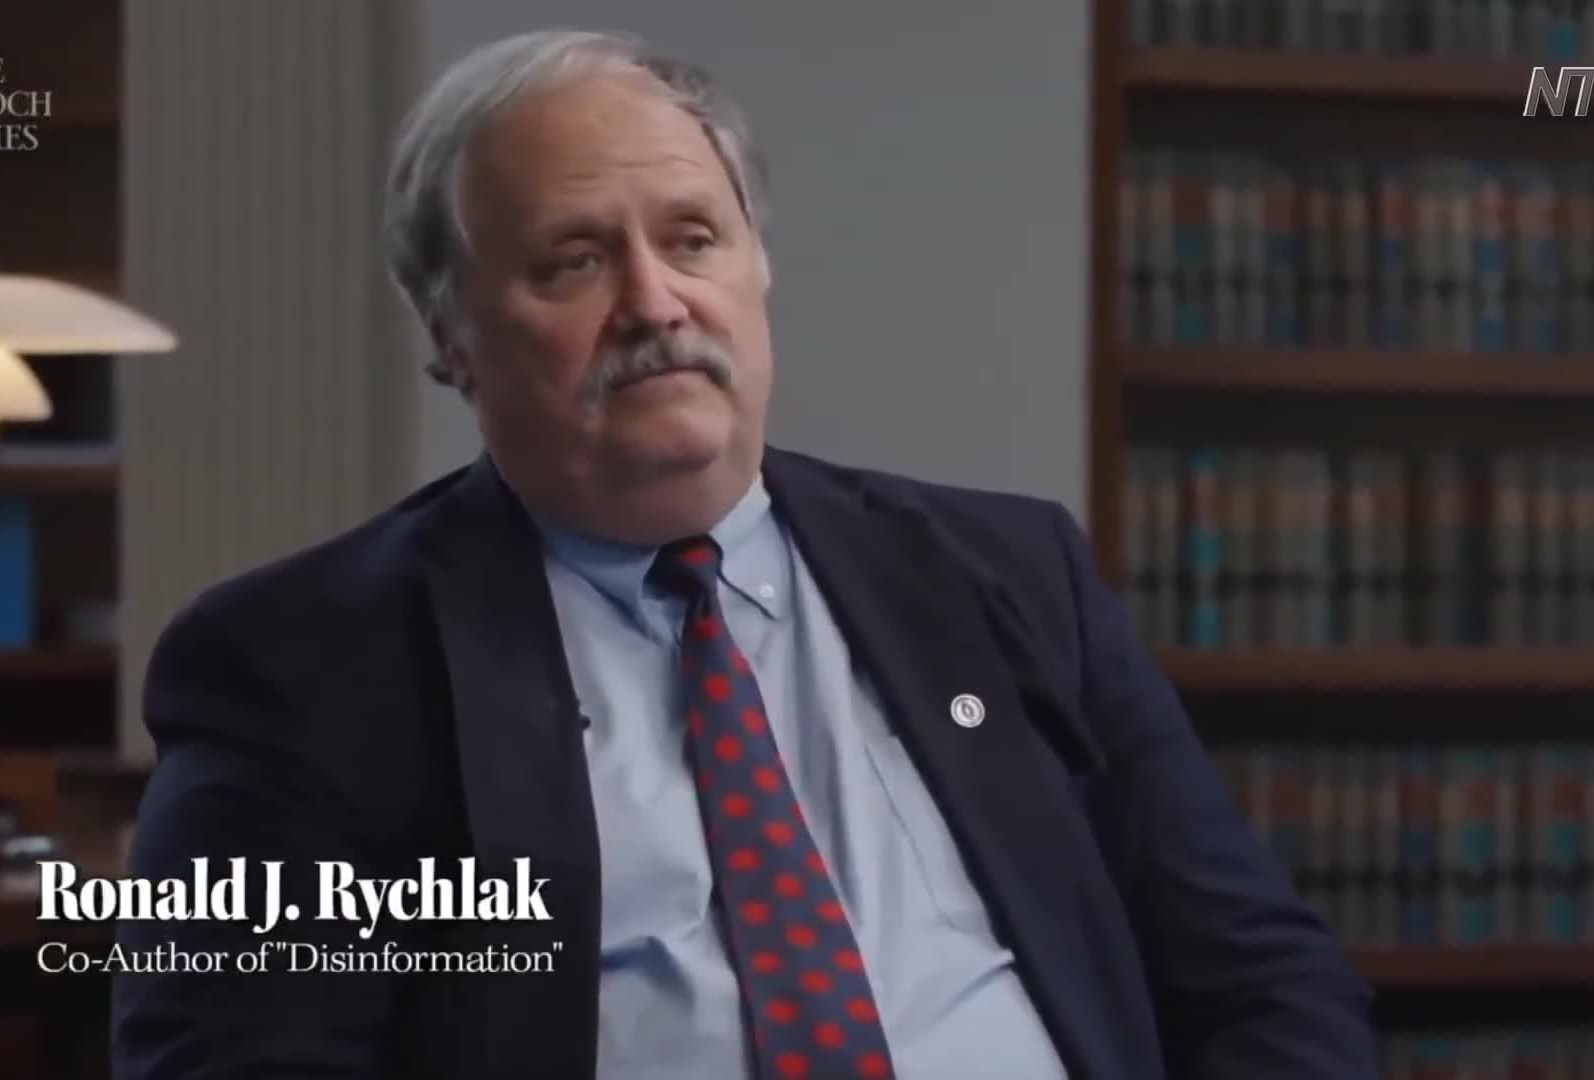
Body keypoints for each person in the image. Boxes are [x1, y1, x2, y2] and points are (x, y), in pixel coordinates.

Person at [110, 28, 1377, 1080]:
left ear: (759, 269)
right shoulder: (303, 668)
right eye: (574, 260)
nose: (655, 302)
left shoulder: (1005, 573)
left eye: (693, 239)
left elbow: (1262, 980)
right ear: (451, 336)